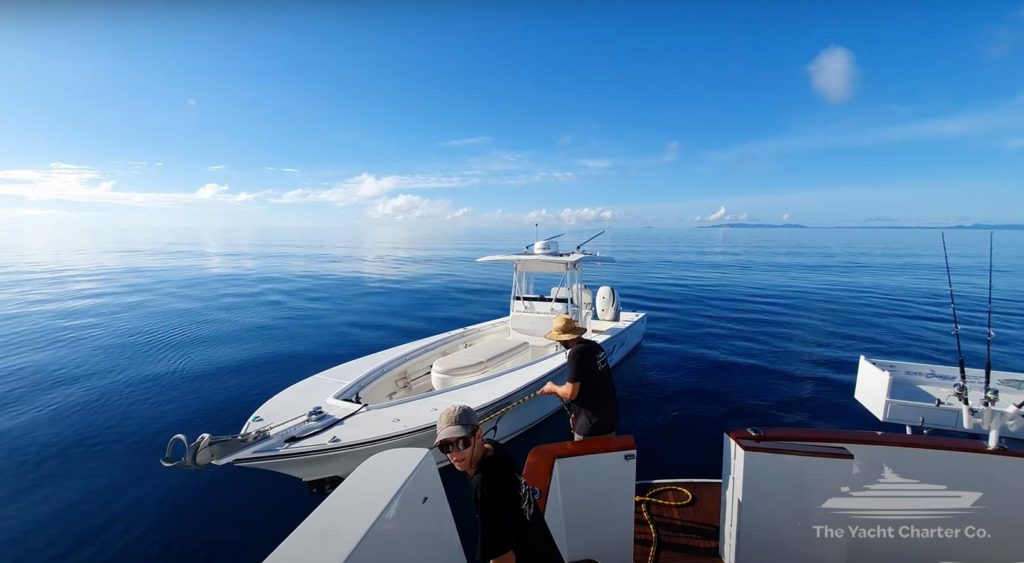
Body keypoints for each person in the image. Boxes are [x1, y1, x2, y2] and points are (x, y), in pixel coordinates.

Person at [435, 404, 564, 563]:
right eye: (445, 446)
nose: (454, 453)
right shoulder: (493, 448)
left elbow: (503, 558)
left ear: (478, 436)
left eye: (462, 443)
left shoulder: (484, 485)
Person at [538, 314, 618, 440]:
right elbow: (595, 385)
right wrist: (576, 413)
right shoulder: (594, 347)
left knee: (584, 459)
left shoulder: (576, 353)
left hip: (590, 427)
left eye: (559, 339)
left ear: (564, 338)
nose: (558, 341)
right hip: (608, 421)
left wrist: (552, 388)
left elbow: (570, 393)